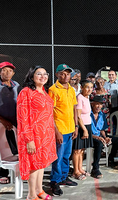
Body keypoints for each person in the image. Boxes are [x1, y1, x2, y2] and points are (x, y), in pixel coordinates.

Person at [17, 66, 56, 200]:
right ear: (32, 76)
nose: (43, 76)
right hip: (33, 136)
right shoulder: (26, 92)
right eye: (39, 74)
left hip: (46, 136)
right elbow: (23, 118)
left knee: (42, 163)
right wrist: (29, 140)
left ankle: (39, 190)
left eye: (45, 74)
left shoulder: (45, 92)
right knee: (33, 165)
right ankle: (31, 194)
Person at [49, 64, 78, 196]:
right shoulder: (53, 90)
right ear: (57, 75)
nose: (65, 76)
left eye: (68, 73)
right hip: (60, 130)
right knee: (58, 157)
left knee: (66, 156)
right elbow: (50, 113)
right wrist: (57, 131)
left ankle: (64, 177)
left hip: (70, 128)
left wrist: (76, 126)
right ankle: (54, 181)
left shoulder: (71, 89)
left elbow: (74, 109)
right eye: (62, 73)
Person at [90, 95, 118, 178]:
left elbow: (102, 129)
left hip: (99, 135)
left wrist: (105, 137)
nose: (99, 106)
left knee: (117, 140)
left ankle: (111, 159)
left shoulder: (102, 115)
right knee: (99, 144)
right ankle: (95, 168)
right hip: (90, 136)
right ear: (92, 104)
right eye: (97, 104)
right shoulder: (88, 115)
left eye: (100, 104)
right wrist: (99, 138)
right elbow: (87, 132)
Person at [0, 62, 20, 184]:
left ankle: (16, 173)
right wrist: (3, 120)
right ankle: (2, 174)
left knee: (14, 149)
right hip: (1, 123)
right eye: (4, 70)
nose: (7, 73)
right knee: (2, 149)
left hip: (15, 123)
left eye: (10, 71)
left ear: (13, 73)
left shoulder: (16, 85)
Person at [72, 80, 94, 180]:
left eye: (91, 87)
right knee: (77, 150)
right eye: (87, 87)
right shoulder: (79, 98)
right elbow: (78, 116)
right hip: (81, 127)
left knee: (82, 150)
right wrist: (84, 129)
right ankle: (75, 171)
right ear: (82, 88)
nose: (89, 89)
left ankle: (80, 169)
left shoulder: (87, 98)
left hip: (87, 125)